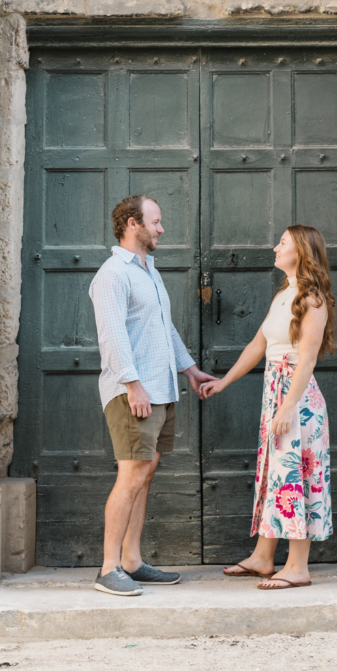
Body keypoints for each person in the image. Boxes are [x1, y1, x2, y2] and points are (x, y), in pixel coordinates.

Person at [89, 194, 213, 597]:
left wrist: (190, 369)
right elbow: (112, 334)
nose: (161, 229)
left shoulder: (149, 271)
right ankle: (109, 568)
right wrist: (133, 384)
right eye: (155, 222)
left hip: (161, 388)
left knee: (145, 475)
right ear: (132, 223)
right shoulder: (113, 274)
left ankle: (132, 561)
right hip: (134, 392)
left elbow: (164, 328)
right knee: (131, 476)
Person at [201, 224, 334, 589]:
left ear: (301, 252)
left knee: (296, 477)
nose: (275, 247)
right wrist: (223, 382)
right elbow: (258, 345)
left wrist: (289, 406)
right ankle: (263, 557)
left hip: (298, 399)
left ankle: (297, 566)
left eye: (283, 243)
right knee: (276, 475)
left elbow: (306, 360)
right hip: (275, 392)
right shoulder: (284, 296)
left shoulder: (313, 299)